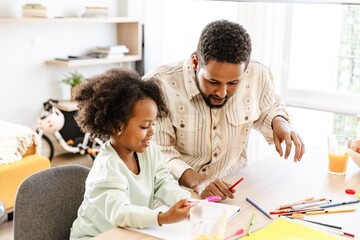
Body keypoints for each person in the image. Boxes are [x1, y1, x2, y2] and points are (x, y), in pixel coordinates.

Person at [143, 19, 305, 200]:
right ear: (196, 63)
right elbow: (158, 151)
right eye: (213, 82)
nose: (222, 92)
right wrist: (198, 182)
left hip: (231, 190)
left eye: (233, 83)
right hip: (174, 194)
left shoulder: (257, 73)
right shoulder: (158, 84)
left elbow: (269, 107)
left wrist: (279, 121)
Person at [70, 68, 191, 239]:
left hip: (129, 232)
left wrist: (185, 201)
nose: (152, 132)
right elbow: (120, 213)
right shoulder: (107, 168)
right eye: (144, 126)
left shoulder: (149, 152)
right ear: (117, 127)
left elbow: (163, 183)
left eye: (153, 124)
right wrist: (163, 217)